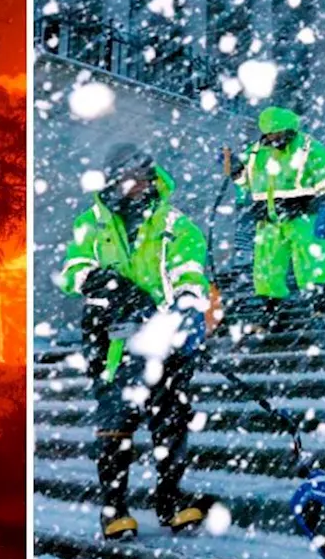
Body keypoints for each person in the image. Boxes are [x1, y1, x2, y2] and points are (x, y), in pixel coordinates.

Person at [59, 142, 213, 539]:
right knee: (116, 423)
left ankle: (170, 499)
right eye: (129, 178)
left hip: (164, 337)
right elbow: (73, 269)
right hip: (110, 340)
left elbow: (190, 272)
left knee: (170, 419)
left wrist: (179, 307)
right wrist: (107, 284)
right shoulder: (90, 223)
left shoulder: (175, 224)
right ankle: (114, 509)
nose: (137, 185)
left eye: (142, 177)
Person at [229, 106, 325, 329]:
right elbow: (247, 183)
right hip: (268, 217)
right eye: (270, 134)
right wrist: (235, 172)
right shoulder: (255, 152)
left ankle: (318, 310)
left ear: (291, 130)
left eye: (278, 133)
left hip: (302, 215)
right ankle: (270, 313)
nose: (274, 138)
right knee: (267, 266)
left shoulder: (310, 149)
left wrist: (322, 205)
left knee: (311, 261)